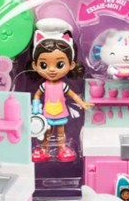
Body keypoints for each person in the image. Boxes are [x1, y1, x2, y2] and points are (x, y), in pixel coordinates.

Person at [31, 18, 93, 162]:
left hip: (60, 112)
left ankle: (62, 148)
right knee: (46, 132)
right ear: (35, 65)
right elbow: (37, 95)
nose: (52, 70)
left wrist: (82, 103)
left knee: (60, 132)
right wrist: (35, 108)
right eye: (44, 65)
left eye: (59, 64)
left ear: (71, 65)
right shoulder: (44, 85)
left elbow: (73, 95)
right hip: (46, 113)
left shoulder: (62, 85)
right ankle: (44, 150)